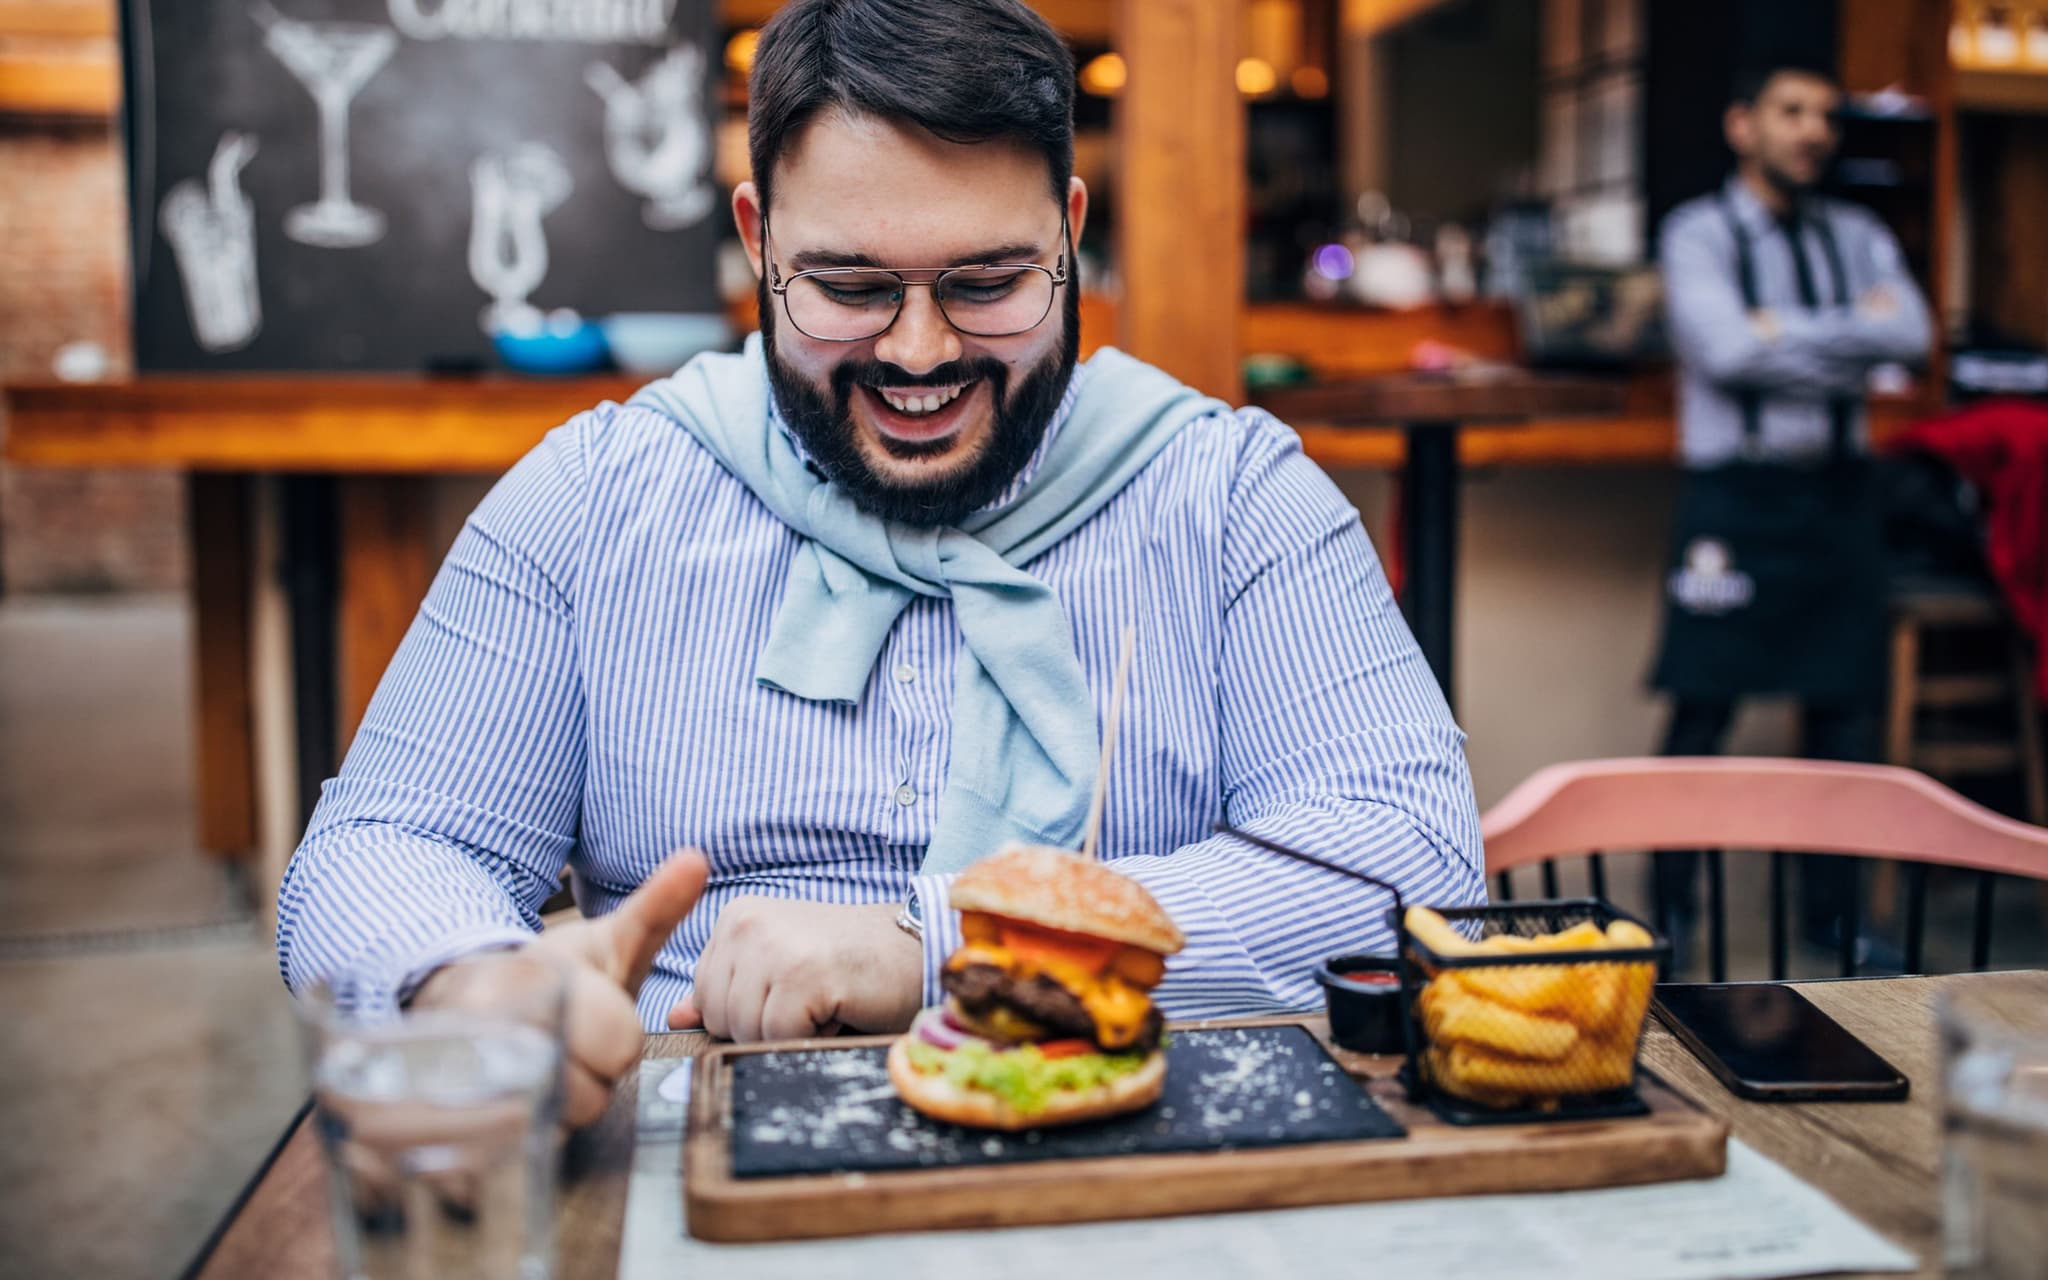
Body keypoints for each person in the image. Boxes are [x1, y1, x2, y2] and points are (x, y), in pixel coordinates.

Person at [276, 0, 1483, 1127]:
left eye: (988, 283)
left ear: (1067, 234)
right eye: (849, 287)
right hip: (686, 1155)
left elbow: (1408, 859)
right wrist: (467, 987)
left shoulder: (1230, 499)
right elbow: (387, 844)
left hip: (1134, 1160)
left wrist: (949, 946)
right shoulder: (595, 498)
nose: (918, 352)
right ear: (759, 240)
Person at [1648, 58, 1933, 958]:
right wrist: (1851, 336)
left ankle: (1836, 920)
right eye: (1791, 110)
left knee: (1844, 716)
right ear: (1744, 124)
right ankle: (1668, 913)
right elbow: (1727, 351)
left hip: (1842, 494)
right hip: (1737, 498)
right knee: (1701, 710)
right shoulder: (1697, 234)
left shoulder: (1857, 233)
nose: (1813, 130)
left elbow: (1912, 338)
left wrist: (1783, 331)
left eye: (1826, 116)